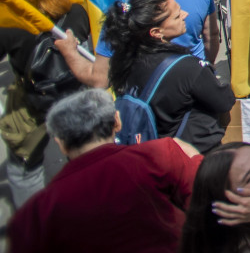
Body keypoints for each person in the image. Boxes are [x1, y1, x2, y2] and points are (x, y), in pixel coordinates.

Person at [7, 89, 203, 253]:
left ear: (61, 144)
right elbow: (207, 200)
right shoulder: (160, 155)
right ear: (117, 122)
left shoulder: (37, 213)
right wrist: (192, 156)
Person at [0, 0, 90, 205]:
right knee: (85, 159)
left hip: (31, 101)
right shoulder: (77, 11)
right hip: (76, 94)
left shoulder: (11, 26)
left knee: (24, 168)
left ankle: (36, 222)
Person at [104, 0, 235, 152]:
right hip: (195, 158)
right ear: (156, 32)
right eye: (177, 15)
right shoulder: (187, 68)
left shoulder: (123, 62)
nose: (185, 15)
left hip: (156, 156)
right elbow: (224, 101)